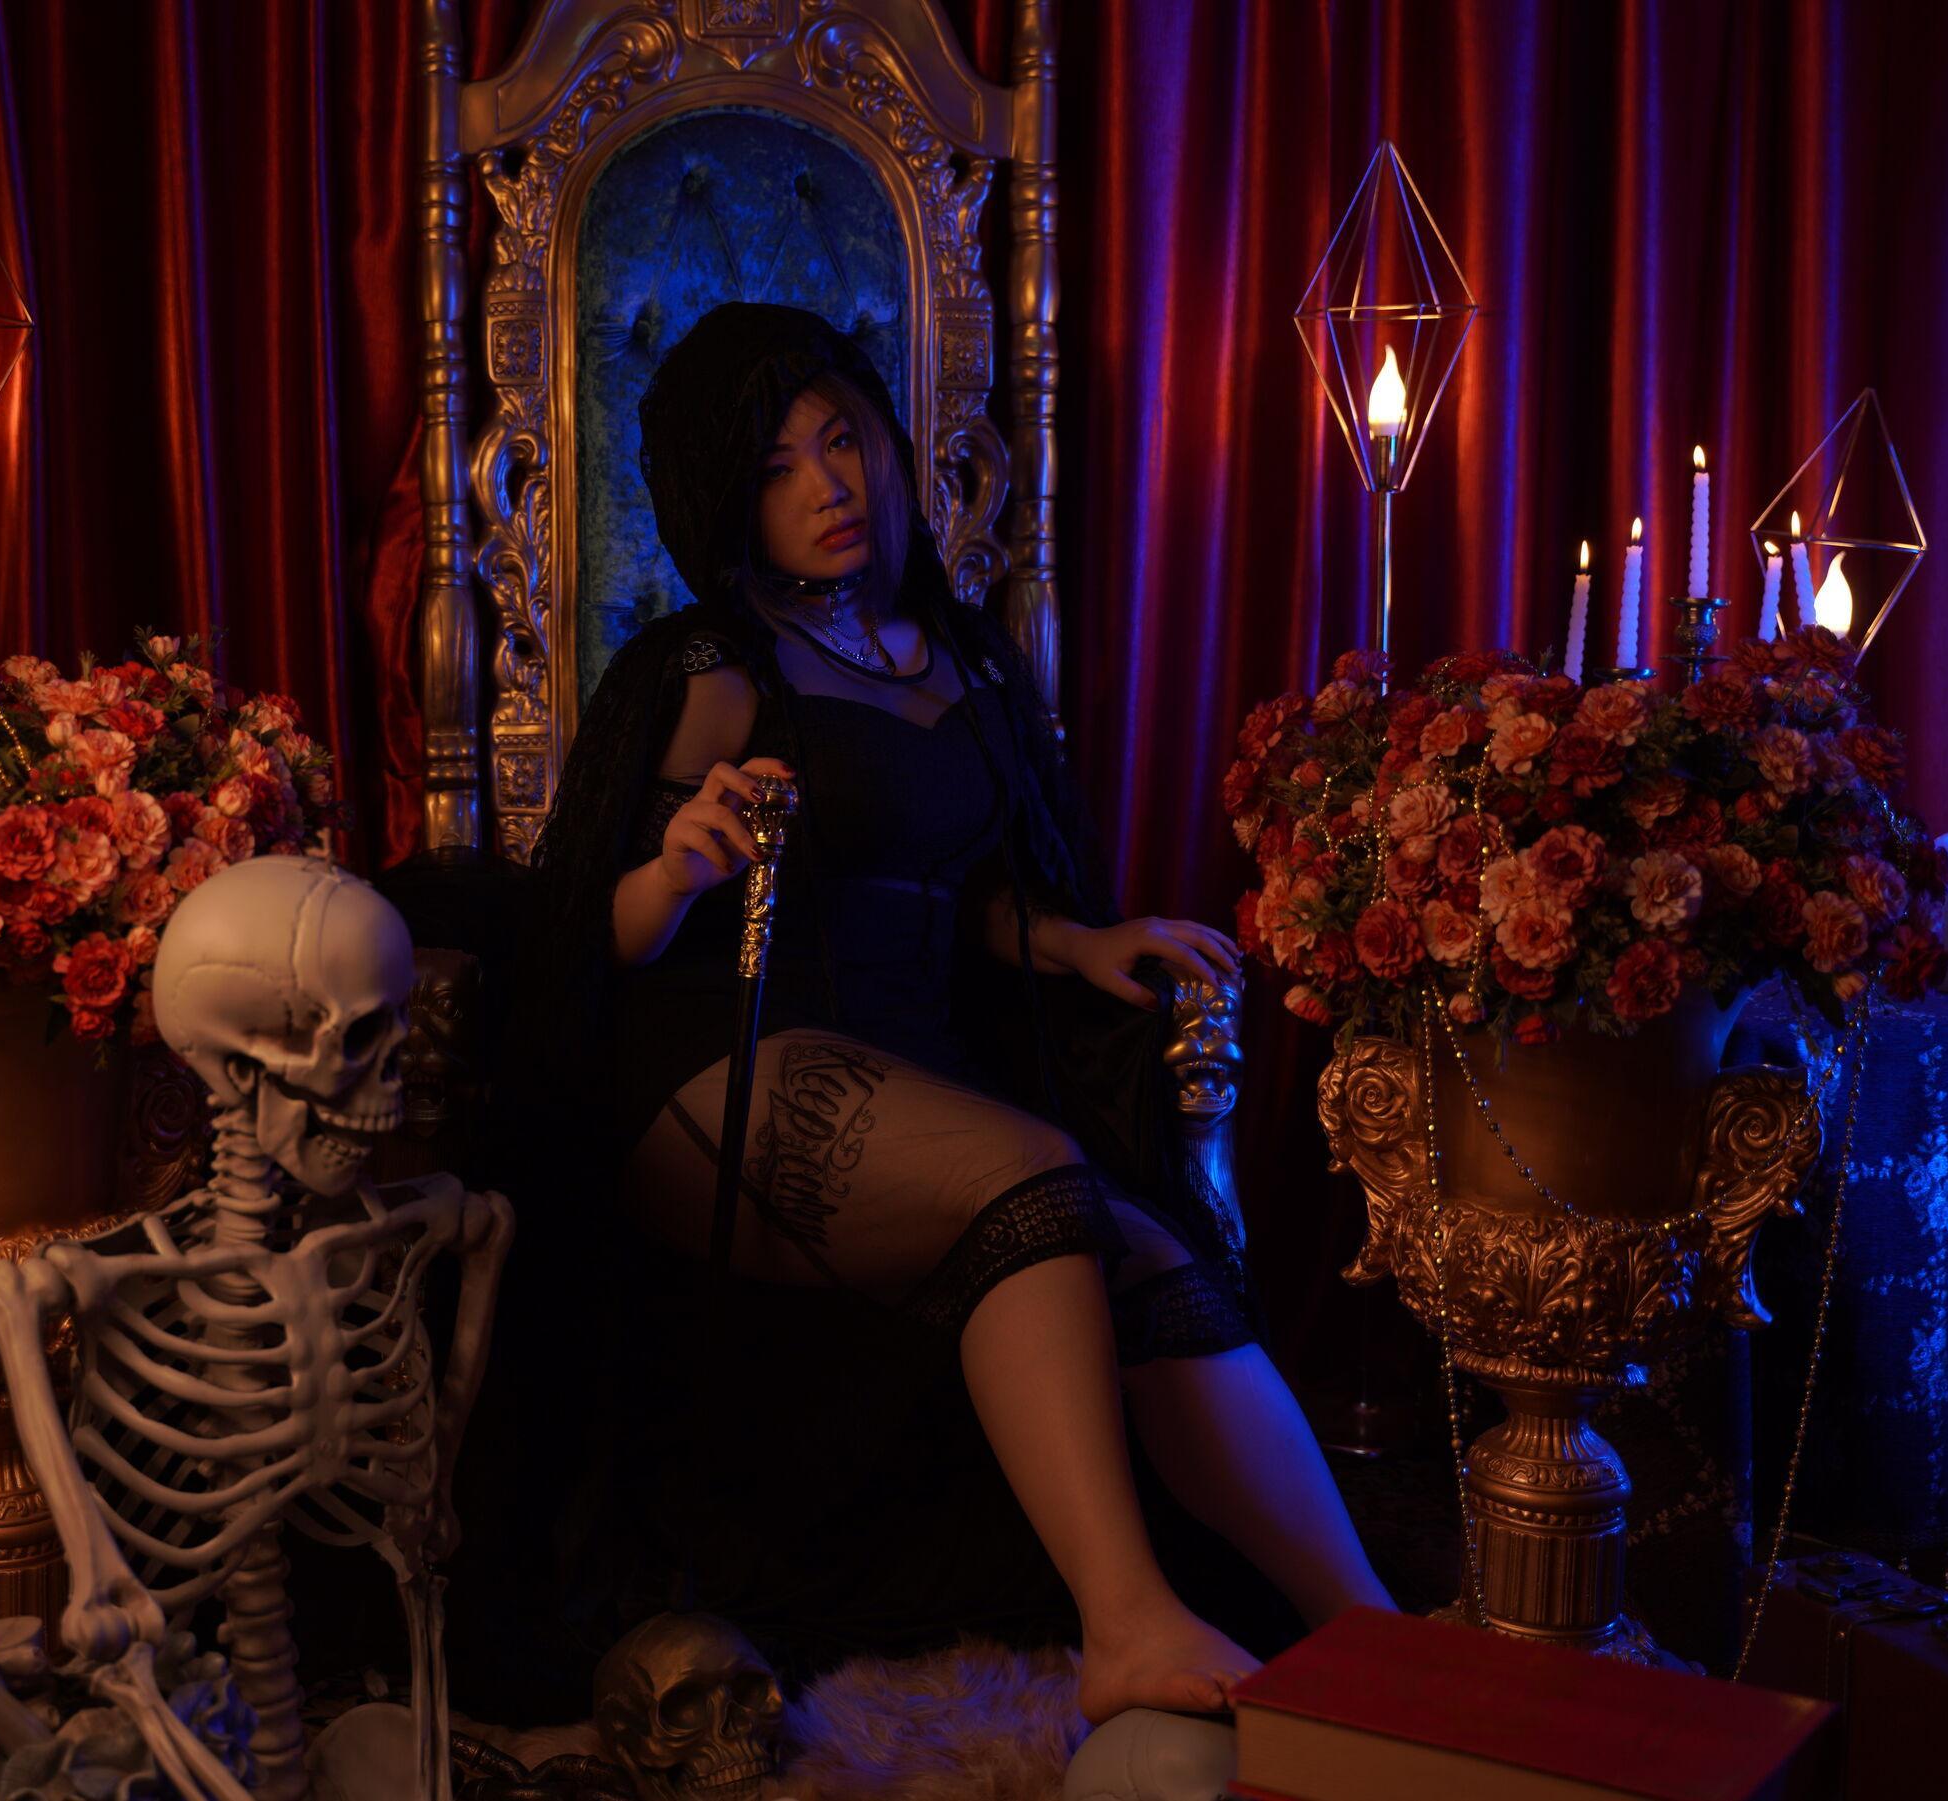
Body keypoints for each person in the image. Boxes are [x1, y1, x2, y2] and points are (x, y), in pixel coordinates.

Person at [516, 303, 1390, 1722]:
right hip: (713, 1063)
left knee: (1153, 1255)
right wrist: (675, 870)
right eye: (780, 467)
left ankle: (1378, 1635)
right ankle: (1126, 1624)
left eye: (843, 438)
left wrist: (1078, 940)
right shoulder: (708, 672)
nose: (830, 483)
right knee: (1039, 1178)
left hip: (909, 1059)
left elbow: (956, 890)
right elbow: (583, 937)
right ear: (725, 500)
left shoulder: (958, 653)